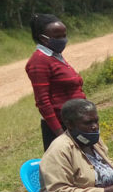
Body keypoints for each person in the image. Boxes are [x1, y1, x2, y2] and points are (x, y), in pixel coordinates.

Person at [26, 14, 88, 150]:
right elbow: (43, 102)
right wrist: (60, 135)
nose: (63, 40)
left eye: (64, 35)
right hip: (62, 127)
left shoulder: (56, 57)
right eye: (58, 37)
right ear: (43, 38)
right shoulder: (39, 61)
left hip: (77, 122)